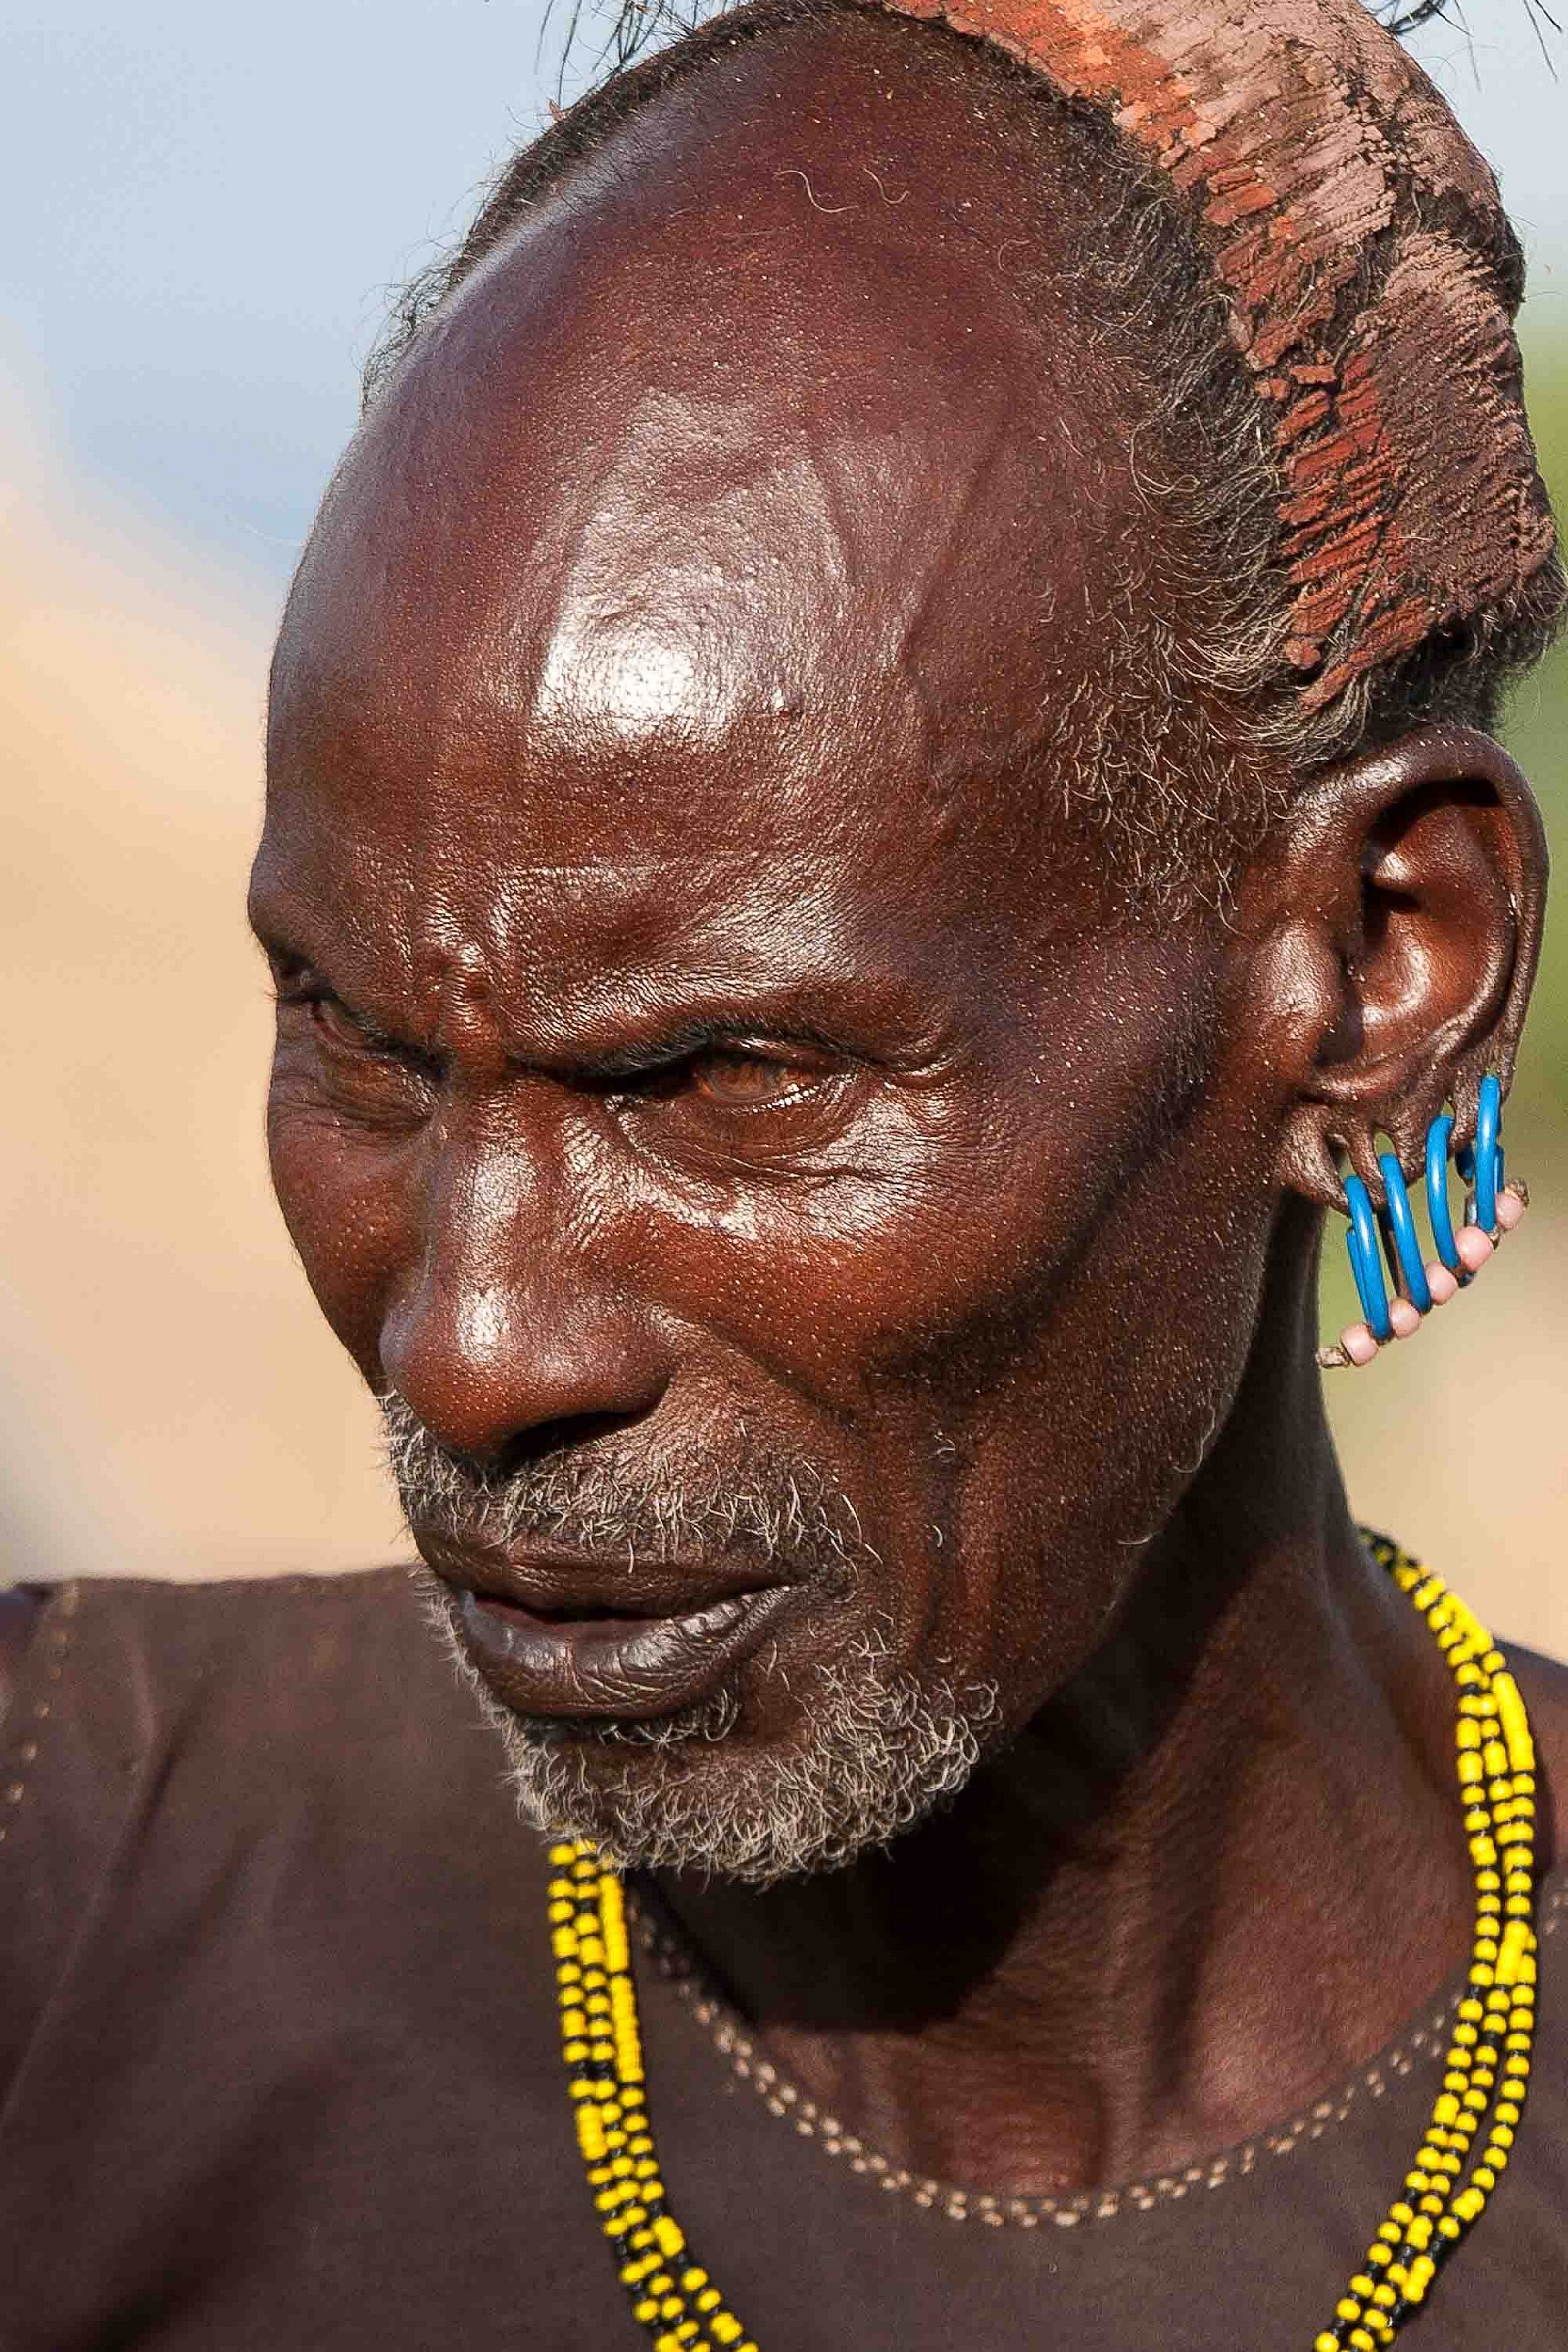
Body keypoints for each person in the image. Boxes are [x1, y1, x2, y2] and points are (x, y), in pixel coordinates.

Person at [1, 0, 1564, 2343]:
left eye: (724, 1078)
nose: (471, 1342)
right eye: (358, 1041)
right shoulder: (75, 1914)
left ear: (1374, 965)